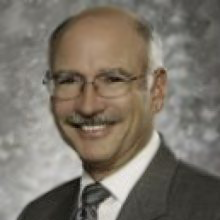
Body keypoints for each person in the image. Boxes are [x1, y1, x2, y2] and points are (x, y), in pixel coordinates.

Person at [17, 6, 220, 220]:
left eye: (113, 80)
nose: (88, 106)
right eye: (68, 80)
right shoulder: (37, 214)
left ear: (156, 90)